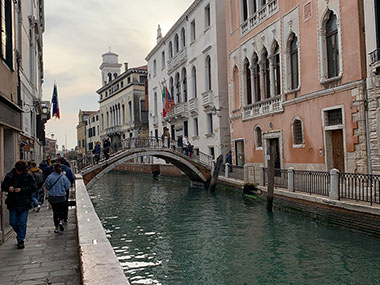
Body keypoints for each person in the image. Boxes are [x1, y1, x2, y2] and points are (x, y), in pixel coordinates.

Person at [1, 160, 37, 249]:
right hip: (13, 202)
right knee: (13, 222)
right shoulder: (10, 175)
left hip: (24, 203)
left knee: (22, 223)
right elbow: (3, 186)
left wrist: (22, 189)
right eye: (18, 171)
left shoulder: (28, 176)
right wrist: (8, 188)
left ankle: (21, 240)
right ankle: (19, 234)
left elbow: (33, 187)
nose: (19, 172)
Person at [44, 163, 71, 233]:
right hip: (62, 197)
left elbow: (46, 186)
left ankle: (56, 227)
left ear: (53, 169)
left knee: (55, 211)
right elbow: (68, 186)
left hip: (53, 197)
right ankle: (61, 222)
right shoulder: (63, 177)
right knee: (61, 210)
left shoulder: (50, 177)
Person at [57, 157, 75, 223]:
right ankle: (65, 217)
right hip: (65, 189)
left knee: (58, 204)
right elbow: (72, 179)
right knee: (65, 202)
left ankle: (59, 217)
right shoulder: (68, 169)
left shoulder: (55, 169)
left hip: (57, 189)